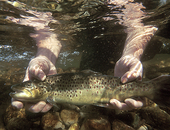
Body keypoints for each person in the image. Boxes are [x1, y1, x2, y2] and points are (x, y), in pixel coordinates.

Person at [9, 0, 157, 113]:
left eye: (27, 88)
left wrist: (132, 54)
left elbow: (141, 25)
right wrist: (44, 57)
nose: (20, 90)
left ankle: (154, 88)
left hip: (114, 36)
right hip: (92, 48)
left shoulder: (122, 4)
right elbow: (48, 37)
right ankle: (150, 88)